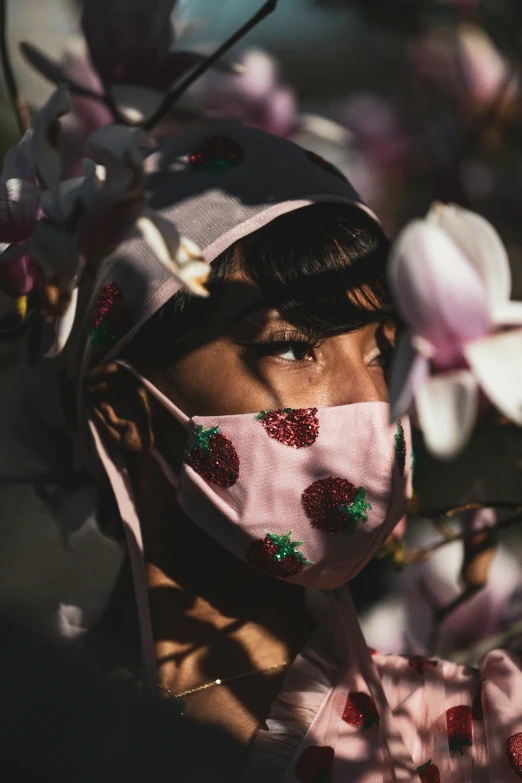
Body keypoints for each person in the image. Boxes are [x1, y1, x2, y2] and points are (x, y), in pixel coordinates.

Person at [4, 124, 522, 782]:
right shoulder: (30, 714)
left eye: (386, 355)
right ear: (124, 405)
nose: (367, 399)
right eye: (294, 346)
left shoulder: (468, 735)